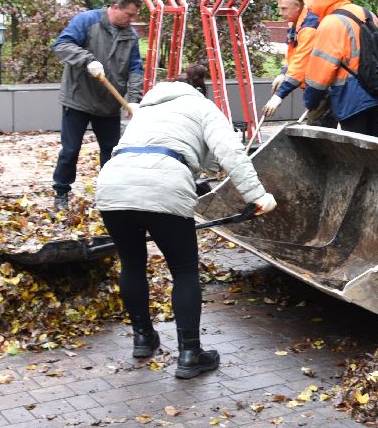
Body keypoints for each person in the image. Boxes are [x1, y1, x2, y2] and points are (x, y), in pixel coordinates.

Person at [95, 62, 276, 378]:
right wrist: (257, 196)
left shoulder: (147, 108)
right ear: (200, 90)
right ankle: (190, 354)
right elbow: (230, 153)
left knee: (132, 263)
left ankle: (142, 338)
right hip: (165, 185)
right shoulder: (204, 107)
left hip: (113, 184)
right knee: (183, 271)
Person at [51, 0, 145, 208]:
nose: (132, 20)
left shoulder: (130, 35)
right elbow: (62, 45)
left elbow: (135, 69)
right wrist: (86, 60)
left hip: (108, 104)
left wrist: (134, 99)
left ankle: (110, 194)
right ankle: (61, 192)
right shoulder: (87, 21)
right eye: (129, 15)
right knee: (71, 150)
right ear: (114, 7)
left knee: (112, 151)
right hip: (78, 98)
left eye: (134, 16)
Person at [301, 0, 378, 137]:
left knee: (357, 149)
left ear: (317, 1)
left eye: (310, 5)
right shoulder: (367, 13)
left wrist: (311, 100)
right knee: (376, 144)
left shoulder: (331, 23)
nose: (310, 10)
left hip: (353, 97)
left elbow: (320, 71)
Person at [260, 0, 320, 122]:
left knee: (317, 129)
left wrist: (279, 96)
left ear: (297, 6)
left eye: (284, 8)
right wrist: (283, 73)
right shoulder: (296, 24)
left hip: (324, 86)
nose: (280, 13)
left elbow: (301, 63)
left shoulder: (309, 27)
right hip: (315, 85)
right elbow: (292, 55)